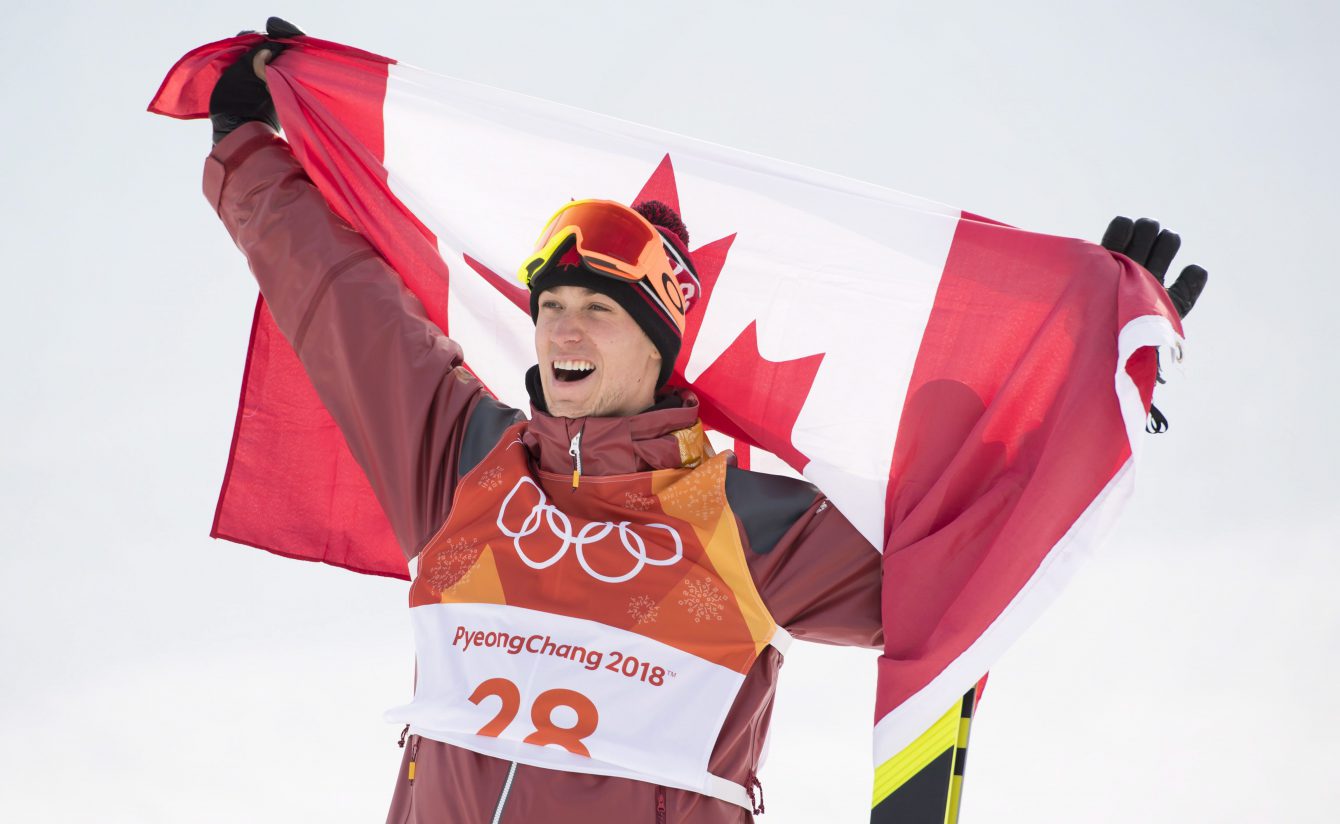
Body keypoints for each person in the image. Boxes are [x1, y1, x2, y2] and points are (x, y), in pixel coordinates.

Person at [201, 21, 1205, 824]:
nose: (563, 328)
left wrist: (1089, 382)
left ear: (656, 346)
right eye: (549, 307)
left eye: (597, 309)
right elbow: (338, 300)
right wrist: (249, 147)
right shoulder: (462, 461)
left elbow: (969, 569)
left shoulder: (749, 523)